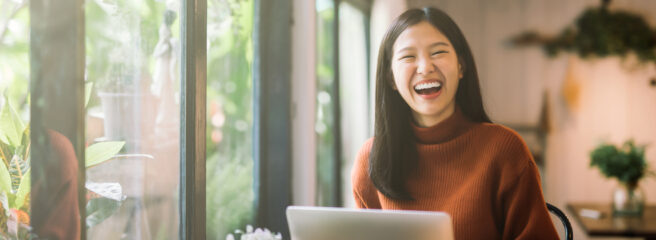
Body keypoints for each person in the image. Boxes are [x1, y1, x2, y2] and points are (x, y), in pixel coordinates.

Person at [351, 7, 559, 239]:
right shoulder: (371, 159)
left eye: (438, 52)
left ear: (461, 66)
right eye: (408, 57)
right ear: (391, 77)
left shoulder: (504, 150)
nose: (425, 67)